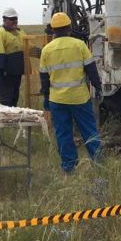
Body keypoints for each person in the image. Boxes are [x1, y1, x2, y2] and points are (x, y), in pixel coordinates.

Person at [39, 12, 103, 173]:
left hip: (57, 100)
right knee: (89, 131)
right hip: (79, 99)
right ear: (69, 28)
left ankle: (69, 168)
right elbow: (91, 70)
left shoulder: (46, 50)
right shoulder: (79, 45)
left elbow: (44, 78)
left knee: (63, 134)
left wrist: (46, 98)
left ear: (53, 29)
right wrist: (99, 87)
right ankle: (99, 164)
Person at [0, 8, 26, 107]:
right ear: (4, 19)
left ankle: (12, 121)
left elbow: (29, 48)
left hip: (16, 73)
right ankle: (5, 122)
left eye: (16, 19)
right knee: (6, 102)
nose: (14, 21)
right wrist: (4, 72)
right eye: (11, 19)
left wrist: (44, 52)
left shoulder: (20, 33)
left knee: (14, 100)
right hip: (4, 75)